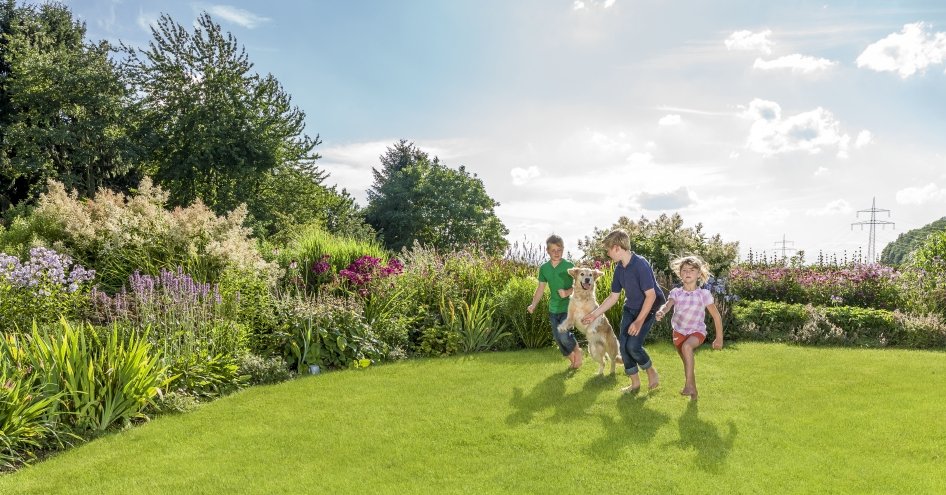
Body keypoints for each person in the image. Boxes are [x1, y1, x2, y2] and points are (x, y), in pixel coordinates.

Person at [581, 229, 664, 393]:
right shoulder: (619, 269)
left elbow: (651, 296)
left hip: (648, 309)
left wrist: (639, 321)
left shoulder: (641, 265)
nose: (607, 253)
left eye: (608, 250)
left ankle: (651, 371)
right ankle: (635, 383)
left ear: (617, 248)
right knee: (624, 346)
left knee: (633, 346)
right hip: (630, 309)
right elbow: (613, 297)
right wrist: (594, 315)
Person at [654, 255, 724, 401]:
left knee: (687, 348)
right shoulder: (676, 293)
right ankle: (693, 391)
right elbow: (668, 305)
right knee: (687, 363)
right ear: (680, 274)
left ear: (699, 274)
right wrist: (662, 311)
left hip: (697, 331)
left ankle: (688, 385)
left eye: (692, 270)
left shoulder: (703, 294)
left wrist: (719, 338)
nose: (687, 272)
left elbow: (717, 317)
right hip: (678, 332)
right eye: (684, 270)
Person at [527, 235, 582, 369]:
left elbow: (579, 286)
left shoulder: (569, 266)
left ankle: (578, 351)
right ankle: (572, 360)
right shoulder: (544, 268)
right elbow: (540, 289)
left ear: (563, 249)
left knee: (563, 336)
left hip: (567, 308)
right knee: (558, 339)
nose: (556, 253)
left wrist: (567, 292)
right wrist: (533, 305)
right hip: (553, 309)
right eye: (553, 250)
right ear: (547, 251)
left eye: (559, 250)